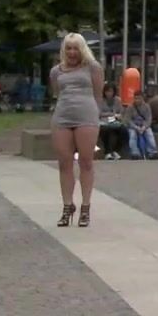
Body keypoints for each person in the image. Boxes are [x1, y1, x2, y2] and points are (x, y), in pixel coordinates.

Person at [50, 33, 105, 227]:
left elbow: (98, 95)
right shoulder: (56, 71)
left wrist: (95, 116)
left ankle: (85, 207)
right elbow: (57, 93)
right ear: (64, 50)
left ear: (82, 49)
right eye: (68, 48)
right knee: (64, 163)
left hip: (86, 118)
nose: (72, 52)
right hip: (62, 117)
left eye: (75, 48)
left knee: (86, 162)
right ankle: (67, 206)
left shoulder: (93, 67)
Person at [122, 91, 158, 160]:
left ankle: (153, 152)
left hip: (144, 125)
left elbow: (149, 119)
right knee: (132, 135)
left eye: (139, 98)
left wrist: (144, 127)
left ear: (142, 98)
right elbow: (128, 120)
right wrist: (136, 127)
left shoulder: (147, 106)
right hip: (133, 126)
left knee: (149, 134)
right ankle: (135, 153)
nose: (137, 100)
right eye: (135, 98)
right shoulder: (130, 107)